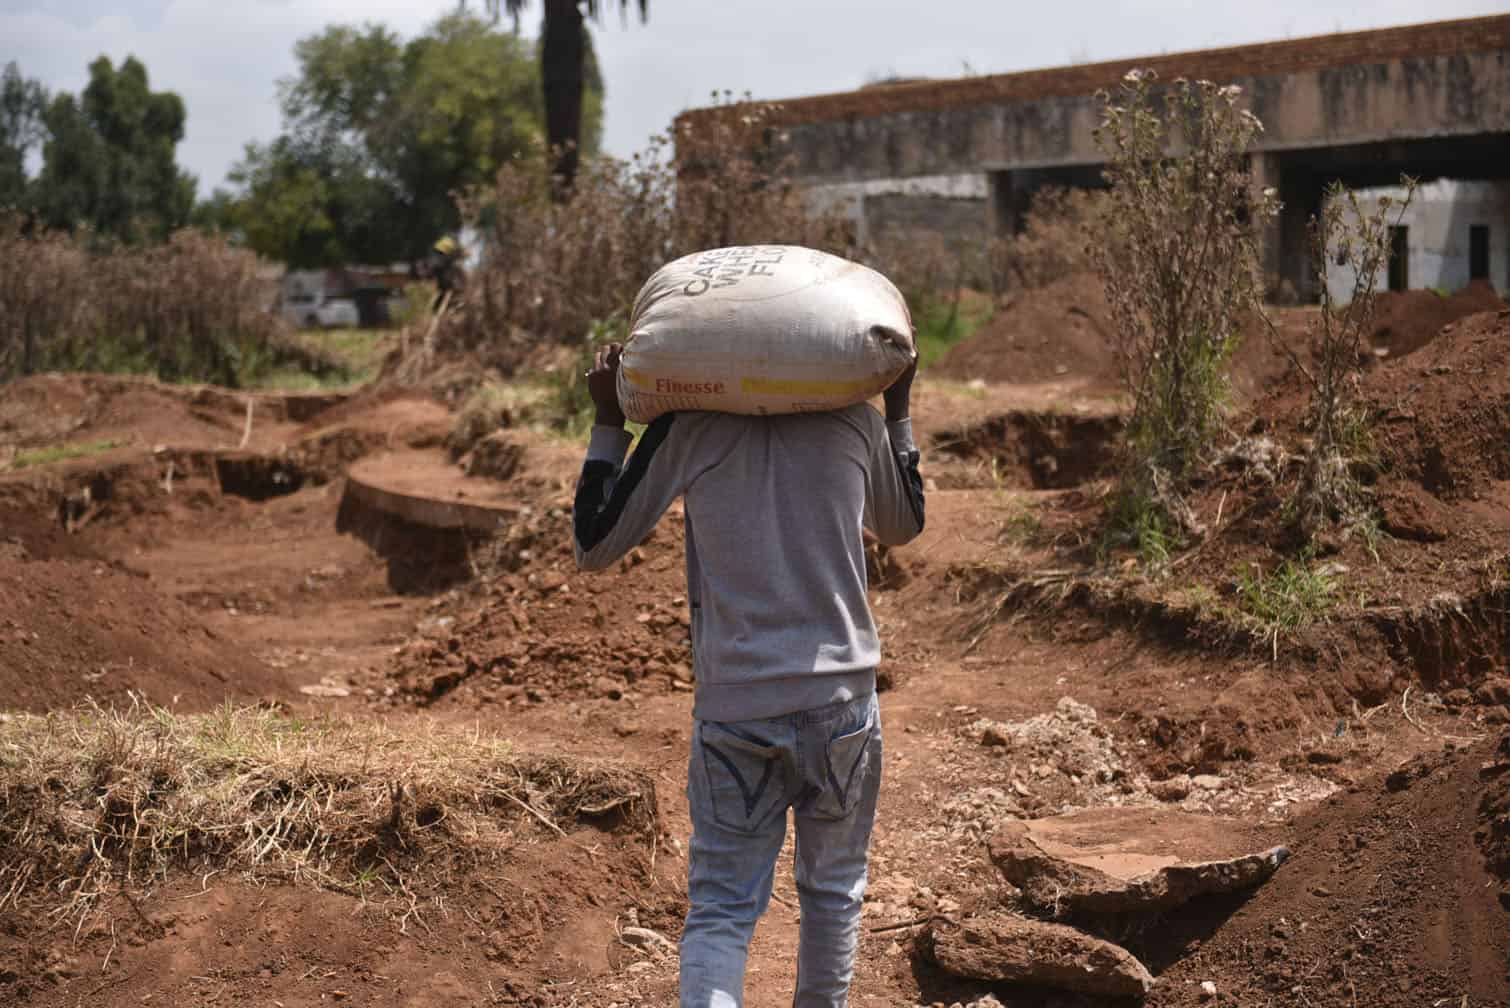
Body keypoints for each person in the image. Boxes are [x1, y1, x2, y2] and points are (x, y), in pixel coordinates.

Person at [572, 345, 924, 1007]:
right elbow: (903, 525)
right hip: (841, 700)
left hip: (737, 707)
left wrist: (610, 421)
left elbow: (594, 544)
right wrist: (898, 408)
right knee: (833, 895)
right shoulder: (854, 421)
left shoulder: (685, 429)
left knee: (723, 909)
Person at [426, 235, 467, 312]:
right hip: (447, 282)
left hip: (444, 282)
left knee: (443, 294)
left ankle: (441, 309)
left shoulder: (441, 256)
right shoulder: (445, 258)